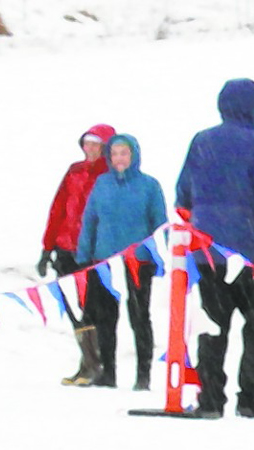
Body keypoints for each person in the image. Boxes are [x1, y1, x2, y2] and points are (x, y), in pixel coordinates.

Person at [175, 78, 254, 419]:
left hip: (209, 252)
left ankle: (210, 399)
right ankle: (252, 399)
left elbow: (183, 192)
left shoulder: (201, 142)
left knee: (213, 327)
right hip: (253, 254)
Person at [76, 133, 168, 390]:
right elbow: (90, 221)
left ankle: (143, 375)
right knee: (105, 318)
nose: (119, 158)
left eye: (124, 153)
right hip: (104, 261)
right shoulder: (102, 184)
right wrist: (84, 257)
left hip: (138, 261)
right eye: (114, 154)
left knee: (139, 316)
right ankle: (108, 374)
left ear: (134, 155)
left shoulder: (149, 186)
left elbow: (160, 226)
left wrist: (160, 257)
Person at [39, 122, 116, 385]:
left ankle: (97, 366)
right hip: (65, 249)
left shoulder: (110, 175)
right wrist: (47, 247)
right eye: (87, 143)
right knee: (74, 308)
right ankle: (88, 364)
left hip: (95, 253)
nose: (90, 148)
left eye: (96, 144)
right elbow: (58, 207)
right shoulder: (74, 171)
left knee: (93, 308)